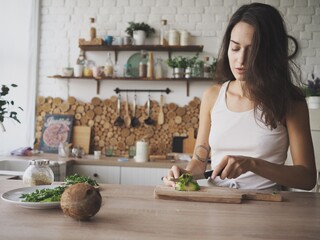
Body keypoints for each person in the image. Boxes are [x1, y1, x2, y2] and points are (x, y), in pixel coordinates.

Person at [163, 3, 317, 190]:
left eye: (252, 51)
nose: (241, 60)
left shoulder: (291, 102)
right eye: (235, 48)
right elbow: (199, 162)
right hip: (217, 206)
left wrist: (252, 164)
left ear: (270, 54)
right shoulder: (213, 96)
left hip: (266, 209)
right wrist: (183, 175)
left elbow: (307, 178)